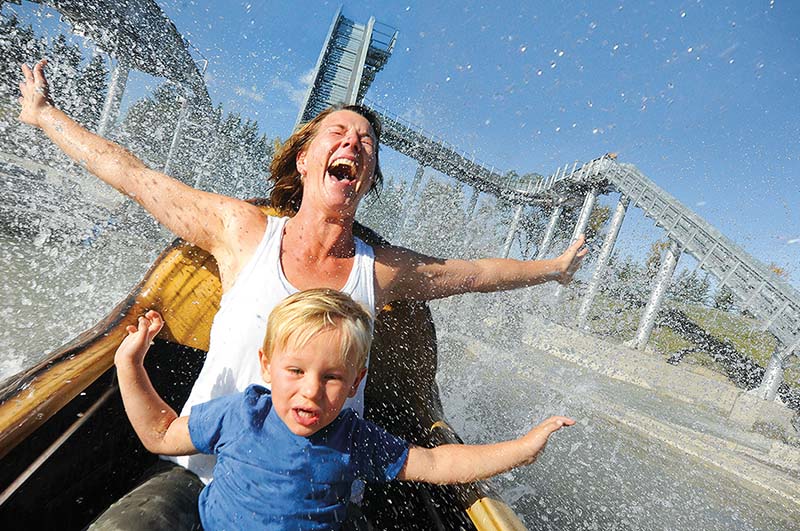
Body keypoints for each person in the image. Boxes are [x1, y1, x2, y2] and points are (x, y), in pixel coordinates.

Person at [18, 59, 587, 526]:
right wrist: (45, 117)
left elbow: (475, 273)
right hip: (202, 479)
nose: (355, 144)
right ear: (304, 157)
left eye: (366, 143)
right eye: (338, 134)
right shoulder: (242, 231)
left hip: (324, 501)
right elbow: (138, 179)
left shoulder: (379, 271)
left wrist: (554, 267)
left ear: (367, 178)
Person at [115, 289, 575, 531]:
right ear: (266, 367)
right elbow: (159, 433)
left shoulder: (354, 438)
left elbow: (435, 462)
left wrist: (521, 448)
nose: (311, 392)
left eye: (332, 378)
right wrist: (129, 362)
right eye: (295, 371)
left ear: (355, 383)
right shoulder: (241, 414)